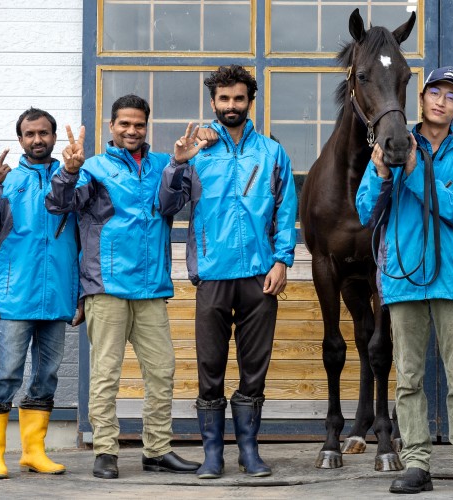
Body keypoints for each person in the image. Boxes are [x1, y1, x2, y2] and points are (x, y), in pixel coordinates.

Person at [46, 94, 200, 479]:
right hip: (106, 286)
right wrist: (68, 170)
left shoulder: (164, 164)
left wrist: (178, 165)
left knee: (162, 371)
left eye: (138, 124)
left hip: (150, 288)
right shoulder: (93, 167)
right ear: (111, 126)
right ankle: (105, 452)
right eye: (124, 124)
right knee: (106, 374)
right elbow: (59, 204)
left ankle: (158, 451)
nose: (132, 130)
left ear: (146, 126)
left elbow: (169, 208)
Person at [356, 66, 453, 495]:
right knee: (408, 378)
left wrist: (413, 172)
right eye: (434, 92)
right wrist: (382, 176)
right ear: (420, 98)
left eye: (451, 96)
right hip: (401, 278)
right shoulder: (389, 148)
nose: (440, 101)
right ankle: (416, 461)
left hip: (451, 280)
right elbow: (364, 212)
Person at [158, 65, 297, 479]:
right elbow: (166, 206)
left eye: (238, 98)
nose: (231, 105)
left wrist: (282, 259)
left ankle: (249, 451)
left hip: (259, 276)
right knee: (210, 367)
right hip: (213, 275)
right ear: (213, 102)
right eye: (224, 99)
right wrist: (176, 164)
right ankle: (213, 453)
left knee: (255, 368)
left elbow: (286, 211)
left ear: (249, 101)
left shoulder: (271, 153)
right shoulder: (197, 150)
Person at [0, 108, 81, 479]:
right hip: (16, 295)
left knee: (46, 376)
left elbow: (85, 241)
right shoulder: (9, 181)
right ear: (20, 140)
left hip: (58, 295)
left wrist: (79, 294)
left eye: (43, 133)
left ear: (53, 138)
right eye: (29, 134)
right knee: (6, 373)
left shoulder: (72, 180)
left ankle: (33, 452)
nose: (37, 140)